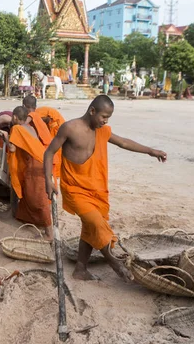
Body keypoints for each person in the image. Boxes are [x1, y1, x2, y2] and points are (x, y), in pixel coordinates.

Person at [43, 95, 167, 281]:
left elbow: (124, 142)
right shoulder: (70, 128)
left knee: (89, 226)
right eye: (103, 116)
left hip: (95, 189)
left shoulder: (103, 131)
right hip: (74, 189)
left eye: (108, 118)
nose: (105, 121)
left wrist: (151, 151)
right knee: (96, 224)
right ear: (92, 111)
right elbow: (49, 152)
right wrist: (48, 180)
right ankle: (114, 262)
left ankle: (80, 269)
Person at [2, 106, 53, 240]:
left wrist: (6, 137)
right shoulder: (30, 127)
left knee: (39, 198)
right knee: (29, 194)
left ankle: (49, 233)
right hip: (42, 161)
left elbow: (12, 149)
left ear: (14, 117)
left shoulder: (17, 129)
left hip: (35, 165)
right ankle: (34, 221)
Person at [35, 105, 66, 179]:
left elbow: (46, 119)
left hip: (55, 124)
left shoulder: (36, 116)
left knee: (56, 151)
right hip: (54, 124)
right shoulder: (36, 114)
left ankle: (56, 174)